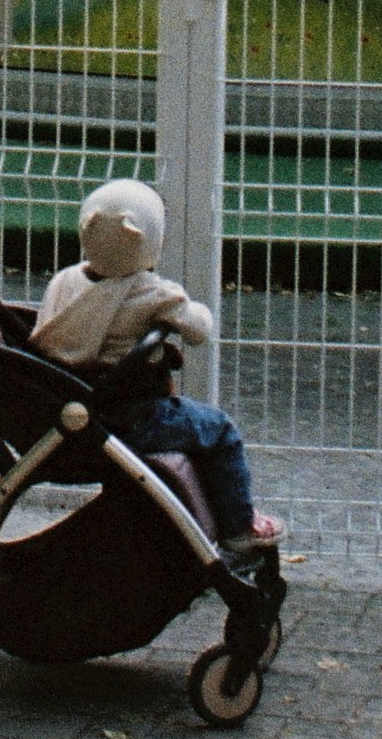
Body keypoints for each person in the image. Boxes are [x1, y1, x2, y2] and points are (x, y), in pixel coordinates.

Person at [29, 178, 278, 552]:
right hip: (132, 418)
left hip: (72, 405)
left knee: (195, 428)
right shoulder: (151, 292)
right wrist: (187, 308)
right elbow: (198, 330)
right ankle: (239, 527)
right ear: (150, 240)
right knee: (218, 431)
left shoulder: (64, 282)